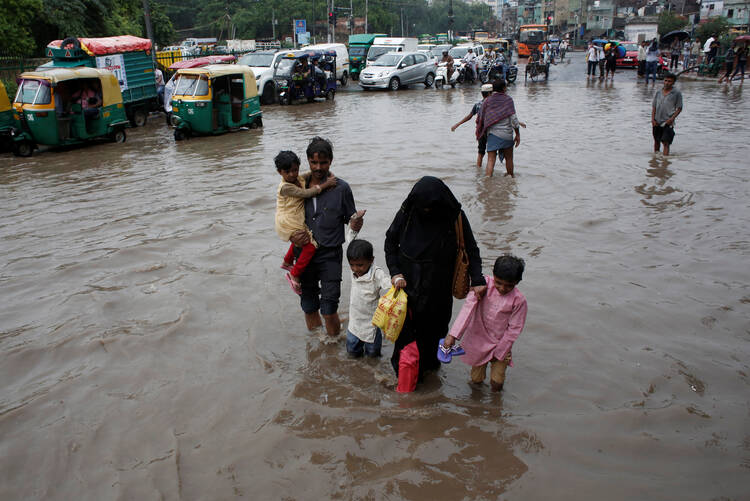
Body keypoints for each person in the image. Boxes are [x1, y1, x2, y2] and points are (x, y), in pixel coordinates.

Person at [385, 176, 486, 393]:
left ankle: (429, 379)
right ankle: (404, 380)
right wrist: (395, 272)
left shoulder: (454, 216)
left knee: (435, 335)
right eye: (424, 208)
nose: (427, 212)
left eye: (431, 208)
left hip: (439, 291)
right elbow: (390, 242)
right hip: (407, 290)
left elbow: (471, 248)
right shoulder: (409, 211)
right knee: (405, 341)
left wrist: (477, 279)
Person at [289, 137, 365, 337]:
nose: (318, 167)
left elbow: (352, 219)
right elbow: (285, 217)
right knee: (309, 305)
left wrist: (356, 222)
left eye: (323, 163)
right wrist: (291, 236)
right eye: (314, 162)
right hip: (303, 254)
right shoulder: (297, 186)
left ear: (330, 161)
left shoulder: (341, 188)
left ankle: (333, 347)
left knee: (329, 307)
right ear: (307, 161)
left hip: (330, 254)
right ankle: (316, 347)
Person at [443, 254, 527, 392]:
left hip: (501, 345)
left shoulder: (518, 301)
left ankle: (495, 405)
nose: (502, 288)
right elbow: (467, 310)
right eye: (498, 282)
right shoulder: (482, 287)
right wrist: (453, 335)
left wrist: (500, 350)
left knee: (497, 381)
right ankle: (477, 406)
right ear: (493, 274)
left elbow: (514, 329)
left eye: (509, 286)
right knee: (476, 380)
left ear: (517, 282)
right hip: (479, 342)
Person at [275, 150, 337, 294]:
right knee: (310, 246)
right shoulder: (286, 187)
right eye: (287, 172)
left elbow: (309, 174)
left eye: (295, 170)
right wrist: (325, 184)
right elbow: (305, 193)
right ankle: (295, 274)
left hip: (293, 217)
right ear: (280, 172)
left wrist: (328, 173)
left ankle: (287, 261)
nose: (292, 174)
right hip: (288, 219)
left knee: (300, 240)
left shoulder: (298, 178)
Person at [345, 239, 392, 358]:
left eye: (360, 265)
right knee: (352, 352)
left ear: (371, 260)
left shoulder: (376, 274)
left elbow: (388, 283)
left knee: (373, 356)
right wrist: (353, 226)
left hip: (371, 324)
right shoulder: (354, 271)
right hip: (354, 321)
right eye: (352, 265)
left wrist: (397, 281)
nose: (355, 269)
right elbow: (350, 239)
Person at [475, 79, 523, 177]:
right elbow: (513, 119)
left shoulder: (487, 101)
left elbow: (482, 117)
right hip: (507, 134)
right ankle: (511, 180)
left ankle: (487, 181)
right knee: (509, 158)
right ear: (504, 88)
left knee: (491, 159)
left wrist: (481, 132)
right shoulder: (508, 100)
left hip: (492, 134)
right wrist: (517, 135)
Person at [451, 84, 493, 167]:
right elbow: (502, 116)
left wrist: (457, 124)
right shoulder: (493, 105)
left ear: (482, 93)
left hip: (481, 131)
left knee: (480, 153)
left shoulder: (477, 105)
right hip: (492, 131)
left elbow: (469, 116)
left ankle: (478, 171)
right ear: (489, 94)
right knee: (491, 154)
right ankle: (489, 173)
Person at [651, 72, 683, 156]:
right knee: (656, 141)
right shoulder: (658, 92)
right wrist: (652, 119)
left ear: (673, 83)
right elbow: (654, 106)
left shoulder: (676, 93)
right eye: (665, 80)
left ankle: (665, 162)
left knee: (666, 142)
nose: (667, 83)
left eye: (669, 81)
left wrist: (672, 119)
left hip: (668, 122)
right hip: (657, 121)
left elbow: (679, 108)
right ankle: (655, 159)